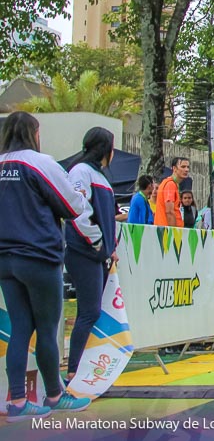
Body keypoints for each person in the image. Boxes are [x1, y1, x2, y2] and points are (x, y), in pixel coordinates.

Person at [0, 112, 97, 419]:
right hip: (38, 255)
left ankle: (17, 401)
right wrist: (80, 197)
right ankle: (55, 394)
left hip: (4, 258)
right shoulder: (39, 163)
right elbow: (71, 205)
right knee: (46, 326)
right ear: (35, 134)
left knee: (19, 327)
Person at [65, 127, 119, 386]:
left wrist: (110, 247)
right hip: (83, 251)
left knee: (92, 311)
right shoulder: (81, 172)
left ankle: (81, 367)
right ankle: (73, 370)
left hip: (96, 252)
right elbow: (79, 211)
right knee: (88, 311)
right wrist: (98, 242)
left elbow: (106, 217)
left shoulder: (99, 175)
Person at [154, 157, 189, 227]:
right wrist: (173, 233)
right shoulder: (170, 184)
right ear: (174, 168)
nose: (186, 170)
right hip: (167, 232)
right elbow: (169, 211)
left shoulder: (172, 184)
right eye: (183, 167)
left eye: (188, 167)